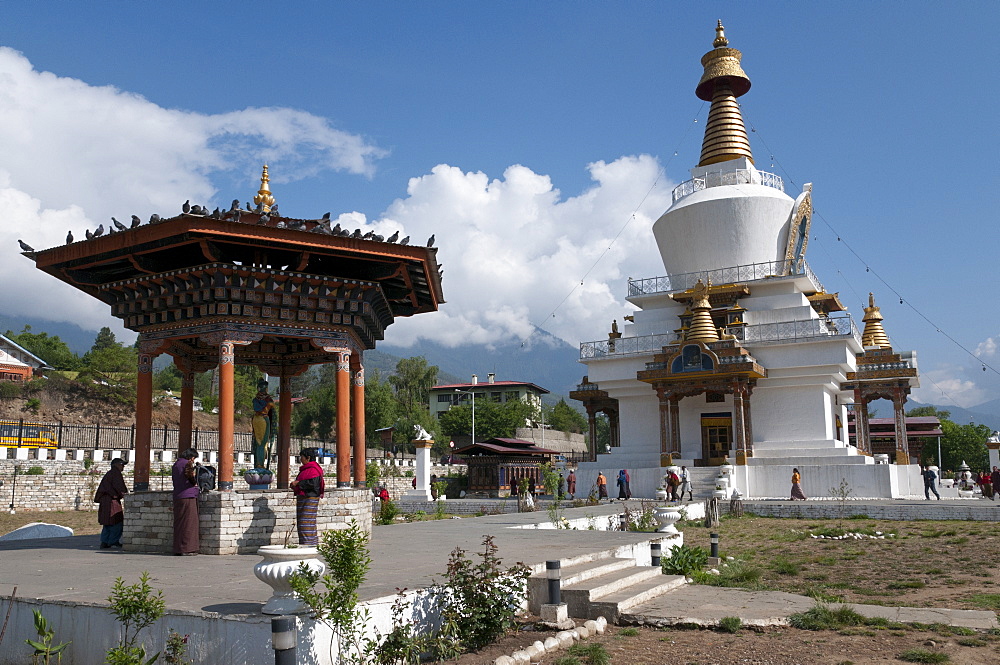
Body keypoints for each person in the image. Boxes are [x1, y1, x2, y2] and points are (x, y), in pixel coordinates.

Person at [290, 448, 325, 546]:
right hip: (303, 498)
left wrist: (299, 483)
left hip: (310, 498)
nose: (300, 459)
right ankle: (306, 543)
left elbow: (313, 484)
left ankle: (309, 544)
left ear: (308, 458)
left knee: (306, 522)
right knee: (302, 522)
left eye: (302, 457)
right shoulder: (305, 469)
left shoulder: (313, 469)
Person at [94, 458, 128, 549]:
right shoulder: (115, 473)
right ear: (116, 465)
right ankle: (113, 541)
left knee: (108, 523)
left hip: (105, 501)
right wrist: (126, 495)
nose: (123, 466)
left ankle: (104, 541)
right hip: (111, 501)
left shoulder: (110, 473)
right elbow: (119, 487)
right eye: (122, 464)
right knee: (116, 522)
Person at [172, 448, 201, 555]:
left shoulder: (176, 464)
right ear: (191, 457)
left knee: (180, 523)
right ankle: (187, 548)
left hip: (178, 495)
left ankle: (178, 547)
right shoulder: (187, 464)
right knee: (189, 523)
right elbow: (189, 475)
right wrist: (195, 483)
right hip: (188, 496)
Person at [251, 378, 276, 470]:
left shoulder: (255, 399)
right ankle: (260, 464)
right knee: (262, 442)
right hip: (263, 419)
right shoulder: (268, 400)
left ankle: (258, 463)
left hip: (256, 419)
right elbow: (273, 413)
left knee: (258, 442)